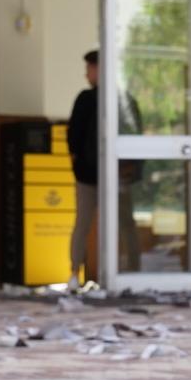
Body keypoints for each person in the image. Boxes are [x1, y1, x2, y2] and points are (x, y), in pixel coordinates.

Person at [66, 49, 141, 285]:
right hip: (117, 176)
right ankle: (134, 273)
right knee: (126, 224)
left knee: (84, 223)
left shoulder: (86, 100)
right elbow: (136, 136)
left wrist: (79, 165)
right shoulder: (125, 99)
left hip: (91, 175)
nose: (86, 74)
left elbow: (73, 138)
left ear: (99, 69)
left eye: (89, 68)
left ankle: (74, 275)